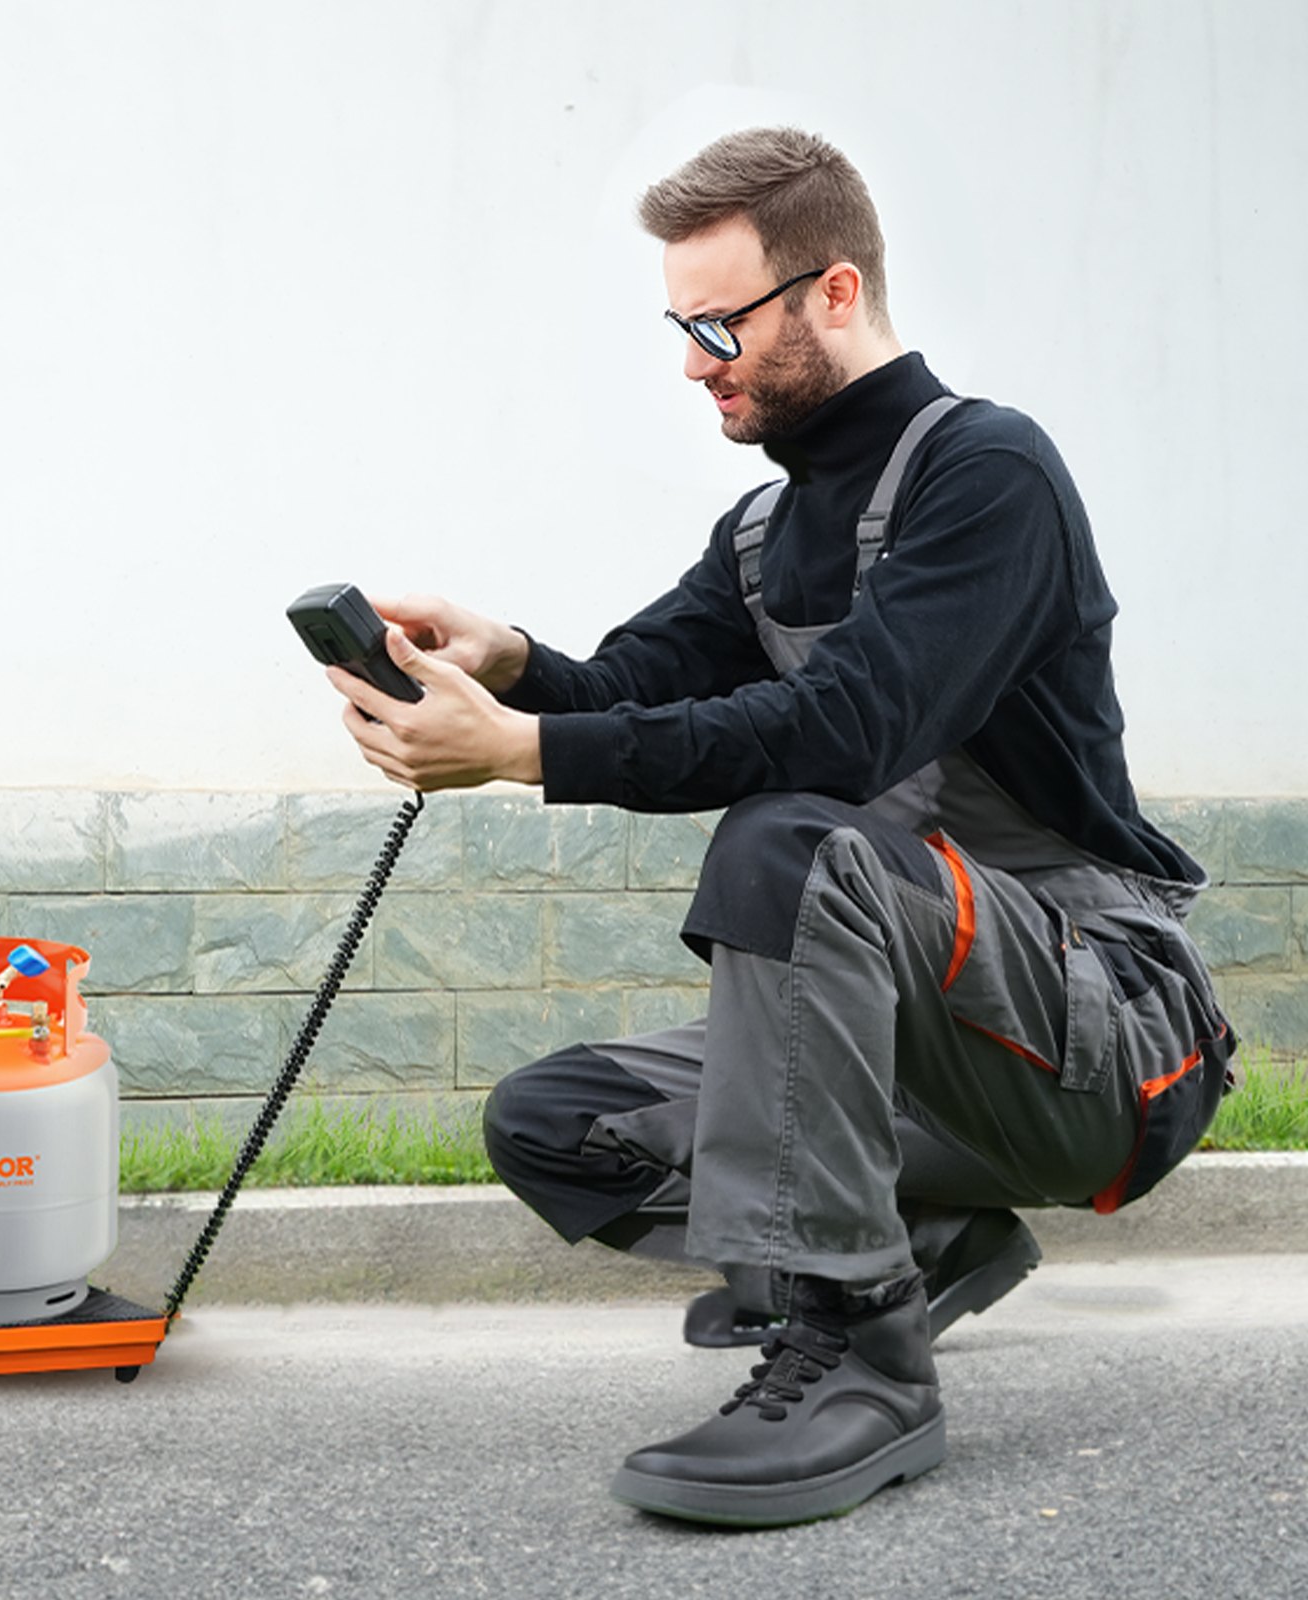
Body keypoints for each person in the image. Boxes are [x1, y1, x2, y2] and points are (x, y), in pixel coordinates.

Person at [324, 126, 1235, 1528]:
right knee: (559, 1126)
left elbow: (848, 731)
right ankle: (919, 1235)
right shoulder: (764, 533)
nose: (694, 360)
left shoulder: (989, 475)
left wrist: (523, 754)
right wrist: (513, 666)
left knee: (793, 835)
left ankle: (861, 1353)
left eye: (715, 322)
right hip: (917, 1047)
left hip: (1099, 1035)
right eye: (679, 328)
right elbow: (629, 687)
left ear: (832, 292)